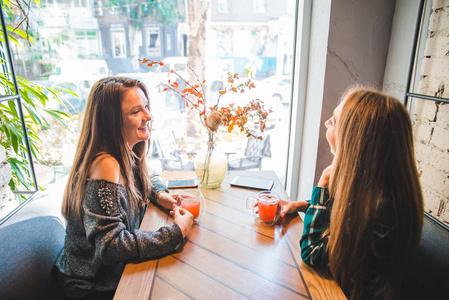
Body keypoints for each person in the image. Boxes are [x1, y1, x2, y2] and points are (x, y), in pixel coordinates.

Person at [55, 77, 193, 299]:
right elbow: (111, 247)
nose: (148, 116)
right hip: (92, 284)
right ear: (112, 122)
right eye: (136, 111)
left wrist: (161, 195)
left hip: (113, 273)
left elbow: (147, 175)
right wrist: (176, 233)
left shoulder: (125, 152)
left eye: (146, 107)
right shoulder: (105, 164)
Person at [280, 86, 424, 300]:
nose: (326, 123)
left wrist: (324, 183)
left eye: (334, 121)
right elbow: (345, 210)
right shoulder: (382, 190)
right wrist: (303, 205)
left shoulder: (382, 213)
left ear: (354, 141)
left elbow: (311, 252)